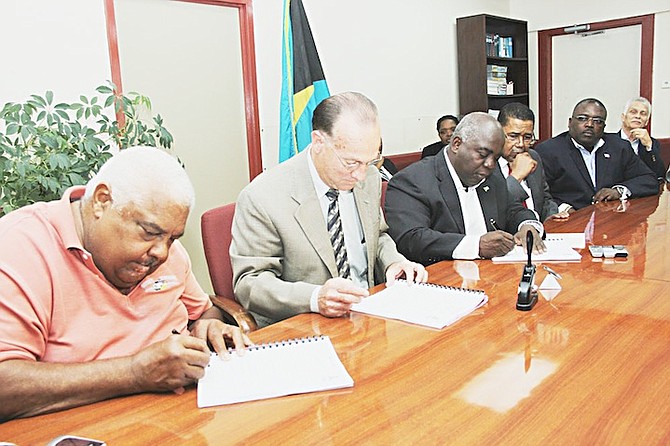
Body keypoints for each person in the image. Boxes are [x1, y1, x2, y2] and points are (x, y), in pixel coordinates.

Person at [0, 147, 251, 421]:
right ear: (102, 201)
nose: (162, 253)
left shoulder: (162, 251)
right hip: (88, 426)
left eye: (172, 239)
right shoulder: (19, 246)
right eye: (150, 232)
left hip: (181, 417)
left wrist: (206, 326)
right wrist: (134, 372)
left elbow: (202, 311)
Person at [231, 92, 428, 327]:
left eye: (370, 161)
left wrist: (394, 262)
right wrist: (315, 298)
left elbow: (379, 236)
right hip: (305, 325)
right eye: (350, 162)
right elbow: (249, 283)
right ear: (318, 142)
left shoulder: (369, 177)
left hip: (371, 316)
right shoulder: (263, 197)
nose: (360, 175)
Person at [385, 112, 545, 266]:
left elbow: (512, 208)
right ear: (456, 144)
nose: (490, 164)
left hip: (493, 273)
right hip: (441, 279)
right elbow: (411, 239)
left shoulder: (491, 175)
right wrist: (476, 246)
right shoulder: (412, 180)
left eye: (495, 158)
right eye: (482, 154)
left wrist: (527, 225)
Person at [535, 98, 658, 211]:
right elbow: (540, 194)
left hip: (610, 220)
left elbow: (649, 179)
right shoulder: (549, 151)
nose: (589, 124)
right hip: (569, 221)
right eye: (582, 118)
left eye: (597, 121)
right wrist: (563, 208)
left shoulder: (619, 147)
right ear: (570, 122)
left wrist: (618, 191)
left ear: (604, 126)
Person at [496, 102, 568, 222]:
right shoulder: (486, 164)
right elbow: (497, 207)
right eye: (513, 136)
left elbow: (544, 198)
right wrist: (516, 176)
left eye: (527, 137)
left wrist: (551, 215)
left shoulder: (533, 156)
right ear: (498, 132)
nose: (520, 144)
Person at [617, 96, 665, 181]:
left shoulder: (652, 143)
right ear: (623, 117)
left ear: (646, 121)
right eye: (633, 112)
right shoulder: (609, 140)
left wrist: (649, 147)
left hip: (642, 190)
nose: (638, 116)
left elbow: (659, 175)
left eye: (643, 114)